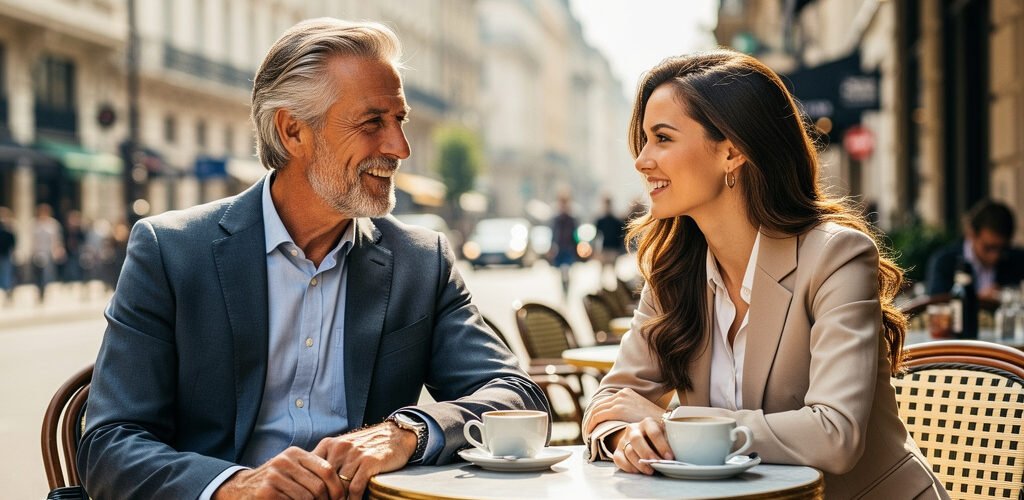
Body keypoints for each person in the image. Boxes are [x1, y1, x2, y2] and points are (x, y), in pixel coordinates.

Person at [79, 18, 548, 500]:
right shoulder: (170, 251)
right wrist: (235, 486)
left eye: (399, 121)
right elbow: (109, 445)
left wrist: (409, 431)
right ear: (292, 132)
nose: (399, 148)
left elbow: (516, 394)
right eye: (372, 123)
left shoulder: (420, 260)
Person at [581, 50, 947, 498]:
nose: (642, 160)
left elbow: (836, 436)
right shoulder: (675, 272)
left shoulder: (836, 256)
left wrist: (674, 425)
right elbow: (609, 402)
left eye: (662, 138)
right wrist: (627, 435)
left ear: (732, 151)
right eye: (643, 141)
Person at [925, 199, 1024, 300]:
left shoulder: (1018, 259)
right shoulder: (945, 262)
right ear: (971, 234)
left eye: (1003, 249)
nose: (996, 256)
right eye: (989, 248)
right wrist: (980, 300)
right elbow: (937, 305)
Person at [31, 203, 64, 304]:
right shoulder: (34, 223)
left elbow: (57, 239)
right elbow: (32, 239)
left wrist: (57, 250)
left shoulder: (53, 224)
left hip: (48, 253)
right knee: (37, 274)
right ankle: (39, 290)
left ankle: (44, 291)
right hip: (38, 253)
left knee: (47, 274)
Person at [550, 194, 578, 296]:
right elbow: (553, 233)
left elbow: (575, 234)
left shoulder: (571, 219)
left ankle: (566, 288)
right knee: (562, 272)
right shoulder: (556, 219)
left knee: (565, 269)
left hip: (568, 249)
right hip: (559, 249)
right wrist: (552, 247)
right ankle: (564, 288)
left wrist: (576, 246)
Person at [594, 196, 626, 281]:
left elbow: (621, 235)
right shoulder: (600, 220)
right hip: (604, 248)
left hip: (613, 248)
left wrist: (620, 249)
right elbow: (597, 234)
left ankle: (616, 290)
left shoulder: (616, 220)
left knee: (614, 273)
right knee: (602, 273)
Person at [0, 207, 16, 305]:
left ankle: (7, 291)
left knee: (7, 274)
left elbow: (13, 241)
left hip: (6, 254)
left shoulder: (10, 227)